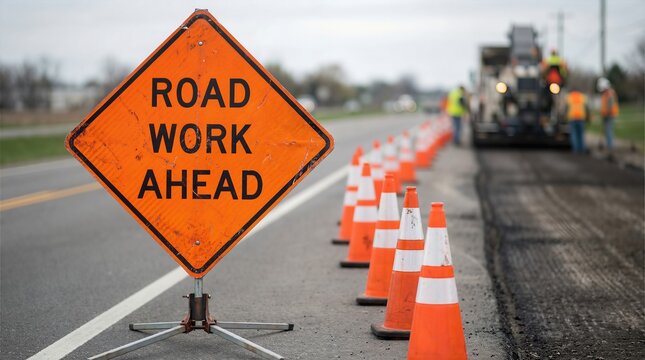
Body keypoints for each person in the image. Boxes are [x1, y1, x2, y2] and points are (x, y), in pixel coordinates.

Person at [597, 77, 620, 156]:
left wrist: (606, 114)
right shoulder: (605, 94)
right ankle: (609, 146)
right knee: (607, 131)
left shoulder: (609, 94)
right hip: (606, 115)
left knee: (609, 131)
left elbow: (610, 106)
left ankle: (610, 148)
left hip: (609, 115)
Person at [565, 88, 590, 153]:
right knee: (581, 135)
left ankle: (575, 149)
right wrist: (588, 117)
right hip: (581, 118)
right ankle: (581, 149)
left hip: (572, 118)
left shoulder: (569, 97)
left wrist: (565, 116)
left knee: (574, 134)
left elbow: (567, 107)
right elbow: (586, 108)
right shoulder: (582, 97)